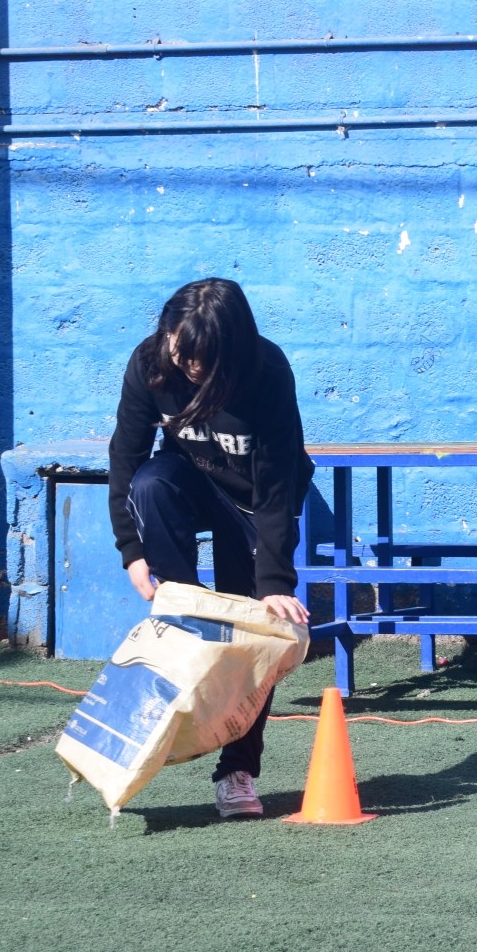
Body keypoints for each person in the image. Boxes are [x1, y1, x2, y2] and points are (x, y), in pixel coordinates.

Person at [108, 278, 315, 818]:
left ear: (234, 348)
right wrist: (132, 551)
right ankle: (186, 615)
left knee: (254, 630)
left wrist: (274, 585)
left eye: (203, 357)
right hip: (191, 482)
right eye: (182, 351)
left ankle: (237, 770)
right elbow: (126, 457)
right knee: (152, 483)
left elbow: (276, 486)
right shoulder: (151, 361)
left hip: (253, 502)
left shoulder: (266, 373)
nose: (190, 366)